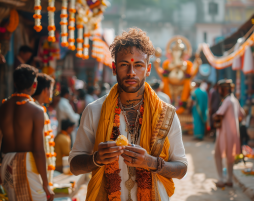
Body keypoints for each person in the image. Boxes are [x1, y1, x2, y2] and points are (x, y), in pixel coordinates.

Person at [69, 28, 187, 201]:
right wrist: (96, 159)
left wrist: (150, 162)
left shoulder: (165, 113)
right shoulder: (94, 110)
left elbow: (182, 168)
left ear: (148, 69)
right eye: (124, 64)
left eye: (138, 65)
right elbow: (74, 166)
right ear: (114, 68)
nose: (131, 72)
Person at [0, 64, 54, 201]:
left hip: (6, 162)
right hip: (26, 165)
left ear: (15, 83)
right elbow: (38, 150)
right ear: (35, 85)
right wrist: (45, 183)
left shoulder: (2, 107)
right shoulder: (36, 111)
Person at [213, 79, 245, 188]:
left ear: (224, 89)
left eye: (220, 89)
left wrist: (214, 116)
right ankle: (230, 179)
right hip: (233, 133)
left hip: (224, 133)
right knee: (230, 156)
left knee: (217, 154)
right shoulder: (234, 100)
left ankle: (221, 179)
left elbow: (218, 114)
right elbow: (242, 114)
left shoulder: (227, 100)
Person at [32, 73, 56, 185]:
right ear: (45, 90)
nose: (52, 93)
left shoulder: (39, 108)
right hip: (35, 171)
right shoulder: (35, 110)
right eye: (51, 89)